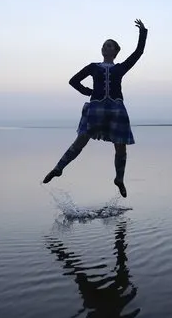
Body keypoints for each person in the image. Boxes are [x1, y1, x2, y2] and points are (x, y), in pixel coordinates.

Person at [42, 19, 148, 197]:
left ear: (115, 51)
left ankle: (119, 179)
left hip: (116, 109)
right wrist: (88, 92)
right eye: (104, 45)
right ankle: (58, 169)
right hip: (96, 108)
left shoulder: (121, 68)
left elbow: (138, 53)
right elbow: (73, 81)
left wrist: (143, 33)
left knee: (120, 146)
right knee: (81, 140)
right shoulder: (93, 67)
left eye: (109, 45)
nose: (105, 47)